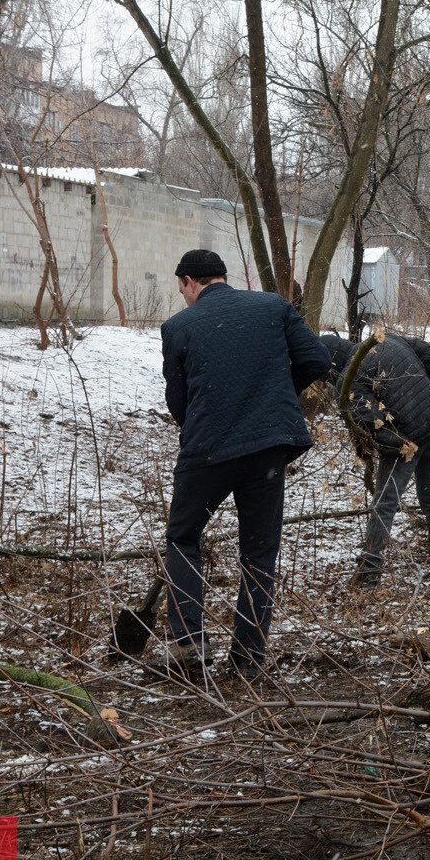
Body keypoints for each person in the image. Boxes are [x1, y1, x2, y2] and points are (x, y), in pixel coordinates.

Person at [158, 249, 330, 679]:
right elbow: (318, 361)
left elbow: (177, 401)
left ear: (190, 282)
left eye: (182, 289)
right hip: (269, 447)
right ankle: (249, 660)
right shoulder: (273, 306)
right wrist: (271, 398)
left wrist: (209, 418)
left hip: (209, 449)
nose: (183, 297)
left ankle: (189, 646)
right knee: (258, 554)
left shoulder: (179, 327)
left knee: (182, 537)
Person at [321, 332, 430, 586]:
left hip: (409, 438)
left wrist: (398, 443)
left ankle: (368, 571)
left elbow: (369, 421)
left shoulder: (347, 380)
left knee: (384, 503)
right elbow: (429, 353)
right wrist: (419, 394)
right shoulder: (385, 338)